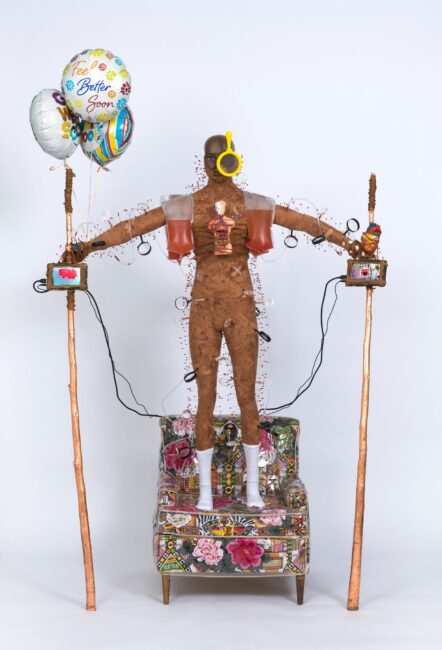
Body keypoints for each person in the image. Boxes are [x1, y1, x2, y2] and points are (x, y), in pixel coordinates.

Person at [65, 134, 361, 511]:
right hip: (213, 305)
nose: (219, 165)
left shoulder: (240, 205)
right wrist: (86, 247)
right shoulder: (200, 205)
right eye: (216, 158)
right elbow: (134, 227)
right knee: (213, 396)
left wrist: (350, 244)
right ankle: (210, 491)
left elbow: (301, 222)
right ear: (212, 163)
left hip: (233, 305)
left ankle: (248, 489)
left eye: (222, 158)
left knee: (241, 395)